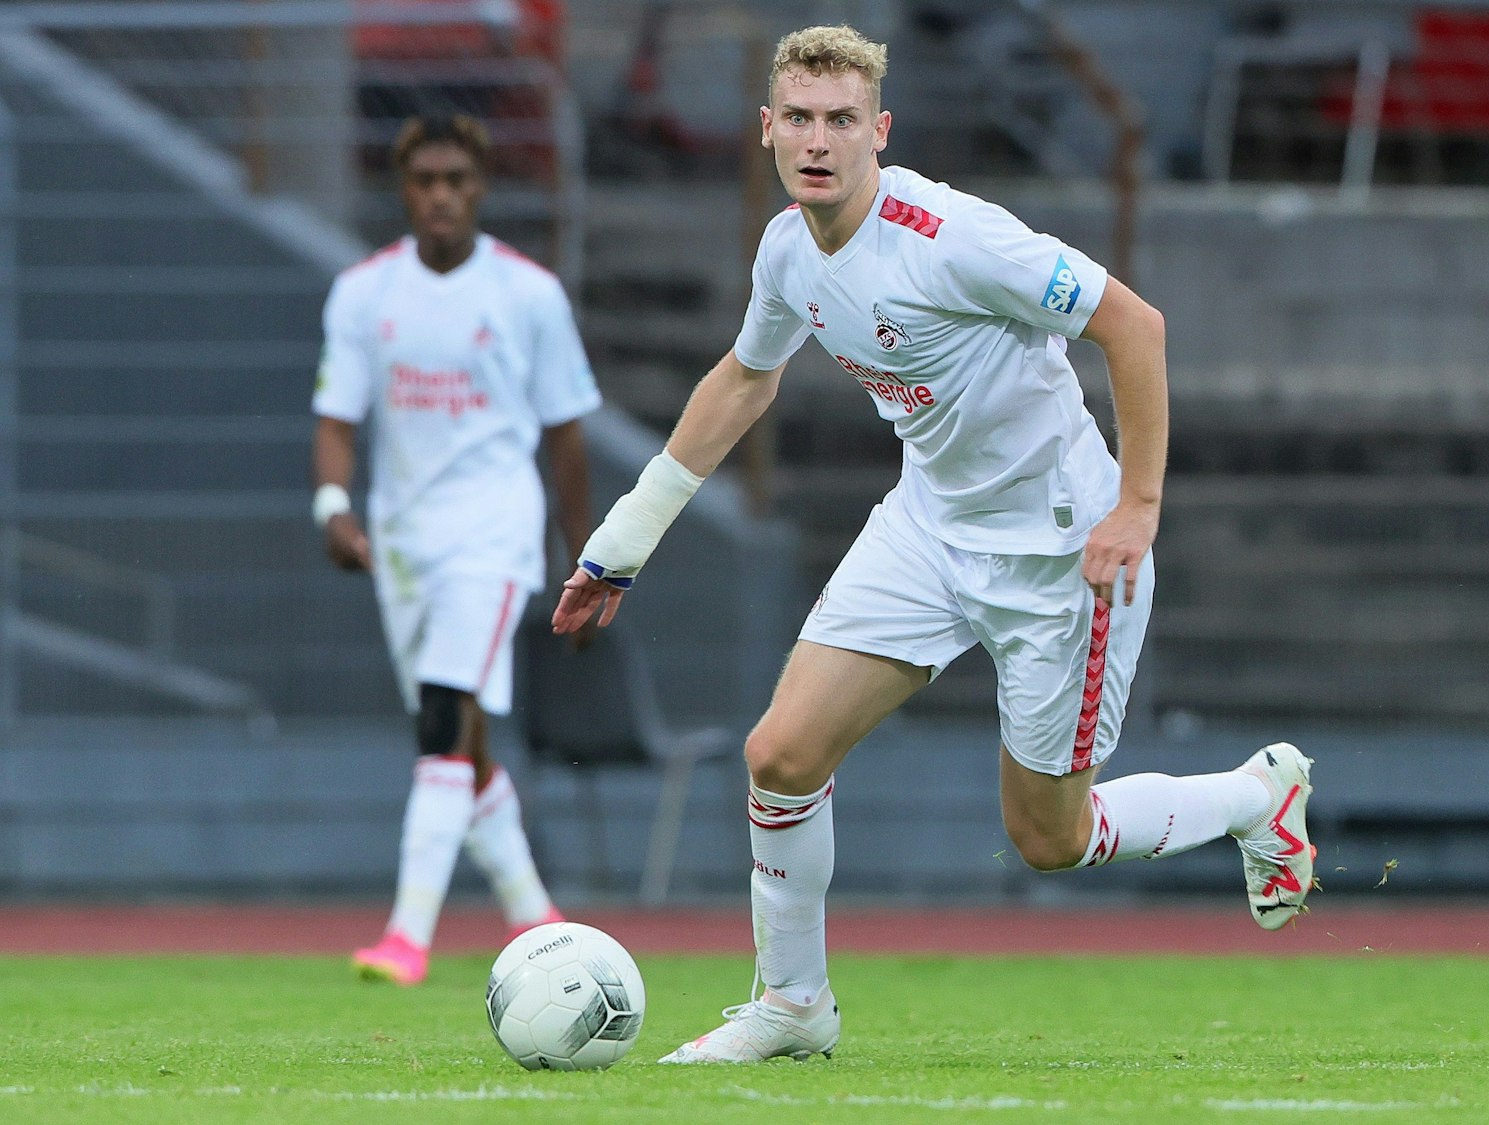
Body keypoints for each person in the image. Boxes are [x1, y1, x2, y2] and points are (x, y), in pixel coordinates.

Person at [552, 25, 1317, 1063]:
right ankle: (790, 1005)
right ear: (766, 128)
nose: (818, 141)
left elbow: (1133, 325)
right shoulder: (786, 250)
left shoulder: (954, 236)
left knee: (1048, 837)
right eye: (801, 120)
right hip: (927, 523)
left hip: (1059, 544)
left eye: (842, 121)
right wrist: (620, 544)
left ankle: (1252, 798)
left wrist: (1135, 506)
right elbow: (745, 377)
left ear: (880, 132)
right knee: (779, 754)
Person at [313, 114, 603, 986]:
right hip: (401, 545)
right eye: (425, 180)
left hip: (492, 536)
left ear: (480, 187)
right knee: (459, 737)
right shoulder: (364, 293)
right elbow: (336, 418)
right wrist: (333, 505)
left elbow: (567, 440)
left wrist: (589, 559)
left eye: (457, 180)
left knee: (444, 716)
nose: (441, 195)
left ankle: (406, 936)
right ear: (405, 190)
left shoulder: (529, 294)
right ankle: (536, 914)